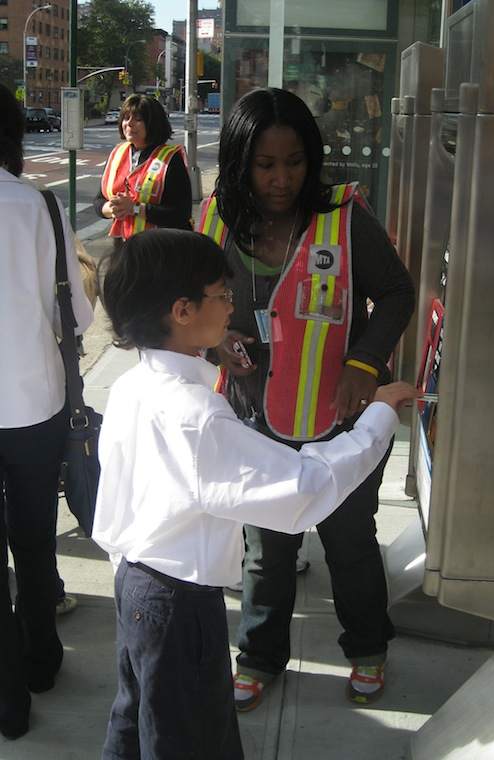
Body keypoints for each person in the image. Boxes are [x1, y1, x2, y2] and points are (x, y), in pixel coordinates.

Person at [92, 228, 417, 760]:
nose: (231, 306)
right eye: (222, 295)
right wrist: (377, 416)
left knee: (136, 722)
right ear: (182, 310)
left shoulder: (133, 387)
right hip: (178, 606)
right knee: (186, 740)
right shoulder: (197, 416)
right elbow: (304, 489)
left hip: (135, 585)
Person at [197, 87, 415, 709]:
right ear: (241, 162)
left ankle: (368, 648)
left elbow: (396, 292)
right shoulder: (216, 220)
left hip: (337, 419)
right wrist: (222, 342)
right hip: (252, 420)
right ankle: (260, 655)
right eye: (265, 165)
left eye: (294, 162)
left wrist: (364, 362)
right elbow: (189, 305)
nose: (281, 179)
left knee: (349, 542)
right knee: (267, 547)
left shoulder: (342, 219)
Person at [0, 84, 93, 740]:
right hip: (35, 402)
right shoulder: (35, 205)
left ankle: (8, 706)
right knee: (33, 540)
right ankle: (41, 661)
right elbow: (78, 313)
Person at [93, 94, 192, 248]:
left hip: (162, 251)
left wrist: (136, 208)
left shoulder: (170, 159)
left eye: (138, 119)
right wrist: (112, 209)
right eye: (126, 118)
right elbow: (99, 200)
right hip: (124, 249)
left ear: (153, 124)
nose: (129, 124)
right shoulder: (117, 153)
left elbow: (181, 213)